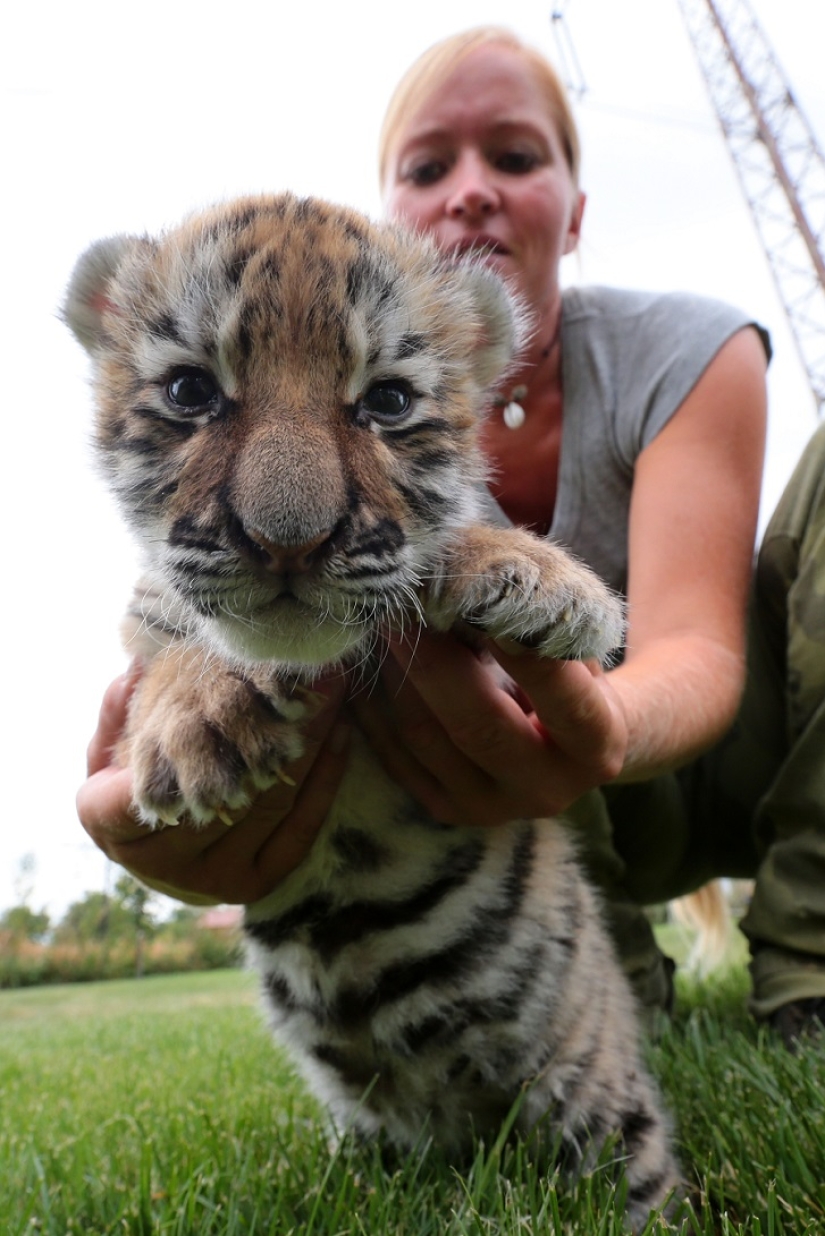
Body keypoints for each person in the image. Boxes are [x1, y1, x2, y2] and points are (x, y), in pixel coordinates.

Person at [77, 26, 825, 1044]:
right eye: (430, 166)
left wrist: (590, 728)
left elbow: (695, 644)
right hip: (513, 819)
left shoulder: (689, 343)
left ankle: (810, 960)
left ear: (576, 213)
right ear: (391, 217)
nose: (471, 189)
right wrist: (187, 699)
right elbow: (162, 609)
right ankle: (599, 970)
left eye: (515, 157)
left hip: (733, 763)